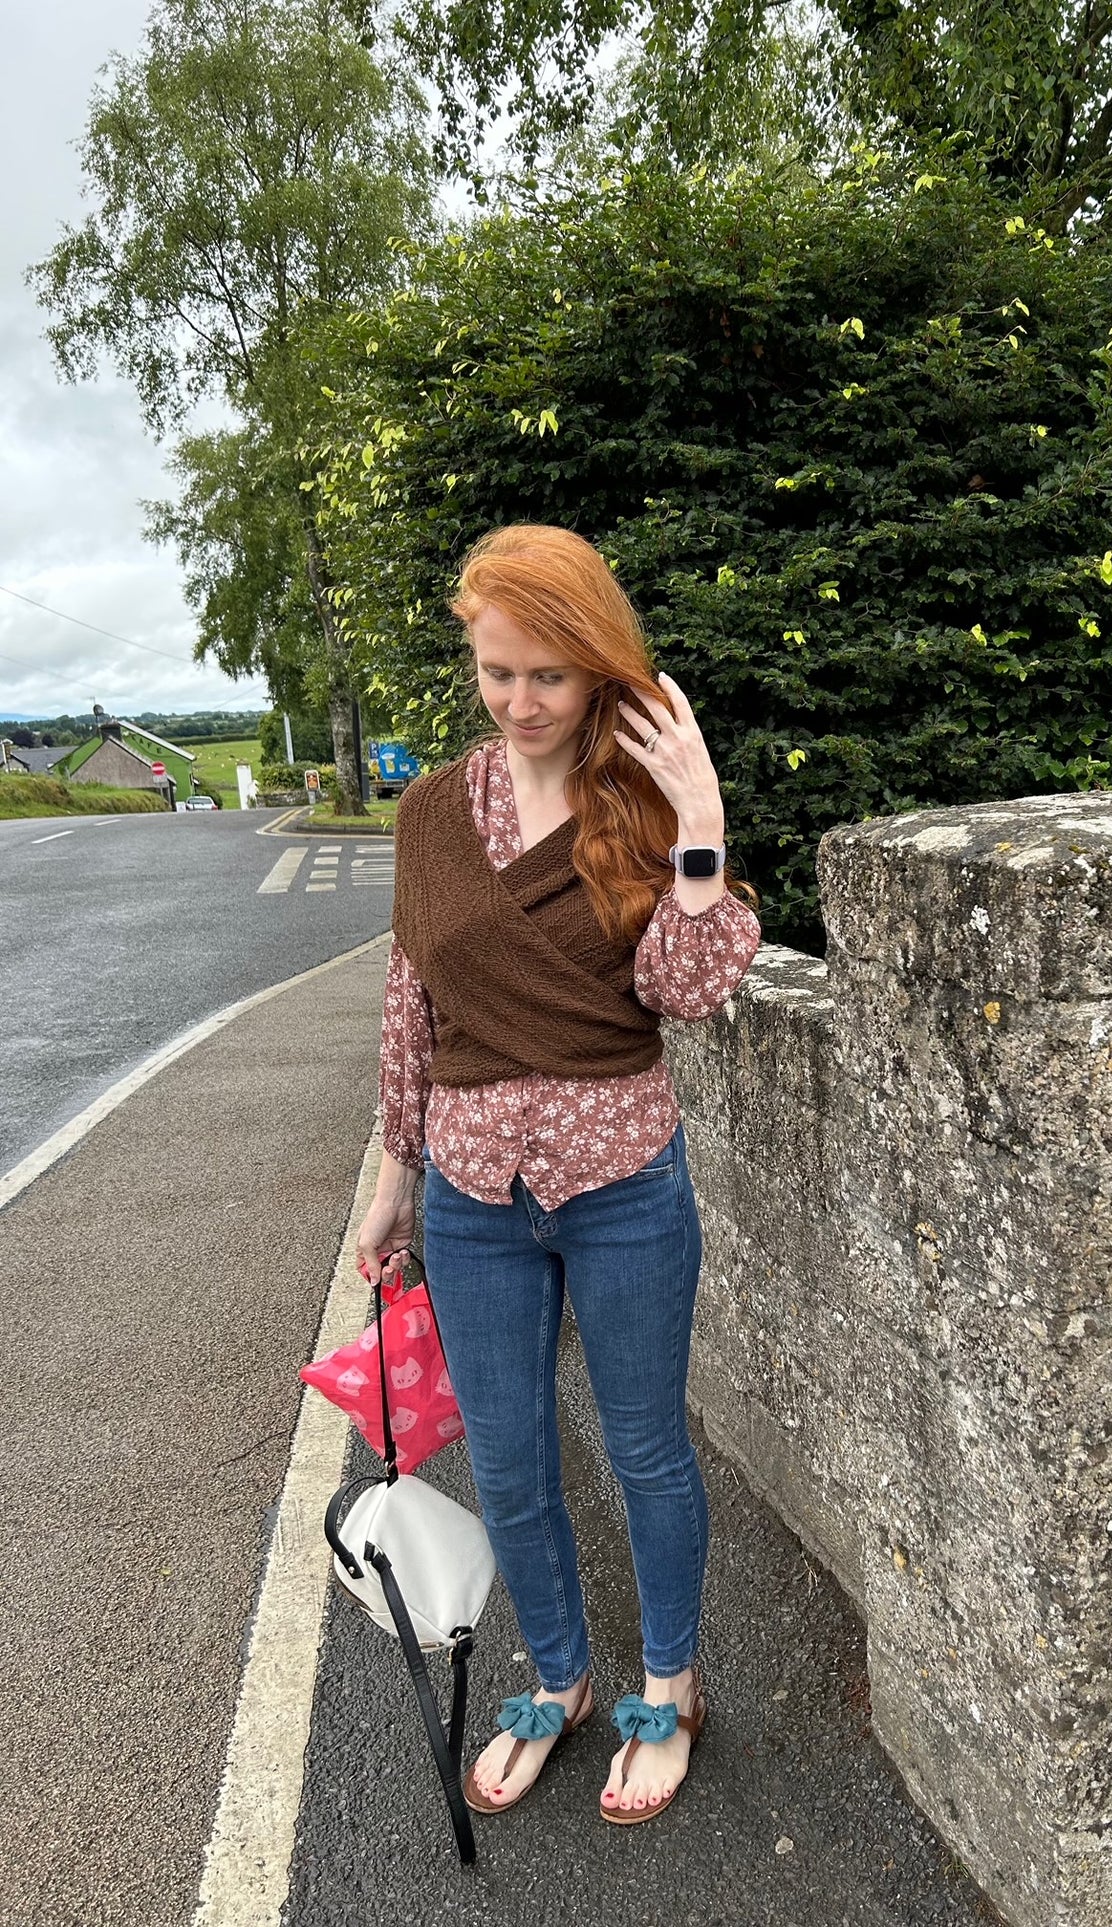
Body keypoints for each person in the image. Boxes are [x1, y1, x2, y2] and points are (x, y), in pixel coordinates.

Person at [356, 523, 761, 1826]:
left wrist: (698, 825)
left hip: (623, 1181)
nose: (521, 702)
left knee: (644, 1449)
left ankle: (667, 1687)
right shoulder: (431, 813)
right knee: (516, 1459)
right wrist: (393, 1175)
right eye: (498, 672)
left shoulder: (639, 805)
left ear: (595, 671)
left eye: (548, 674)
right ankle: (559, 1679)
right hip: (475, 1201)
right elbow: (414, 995)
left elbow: (684, 994)